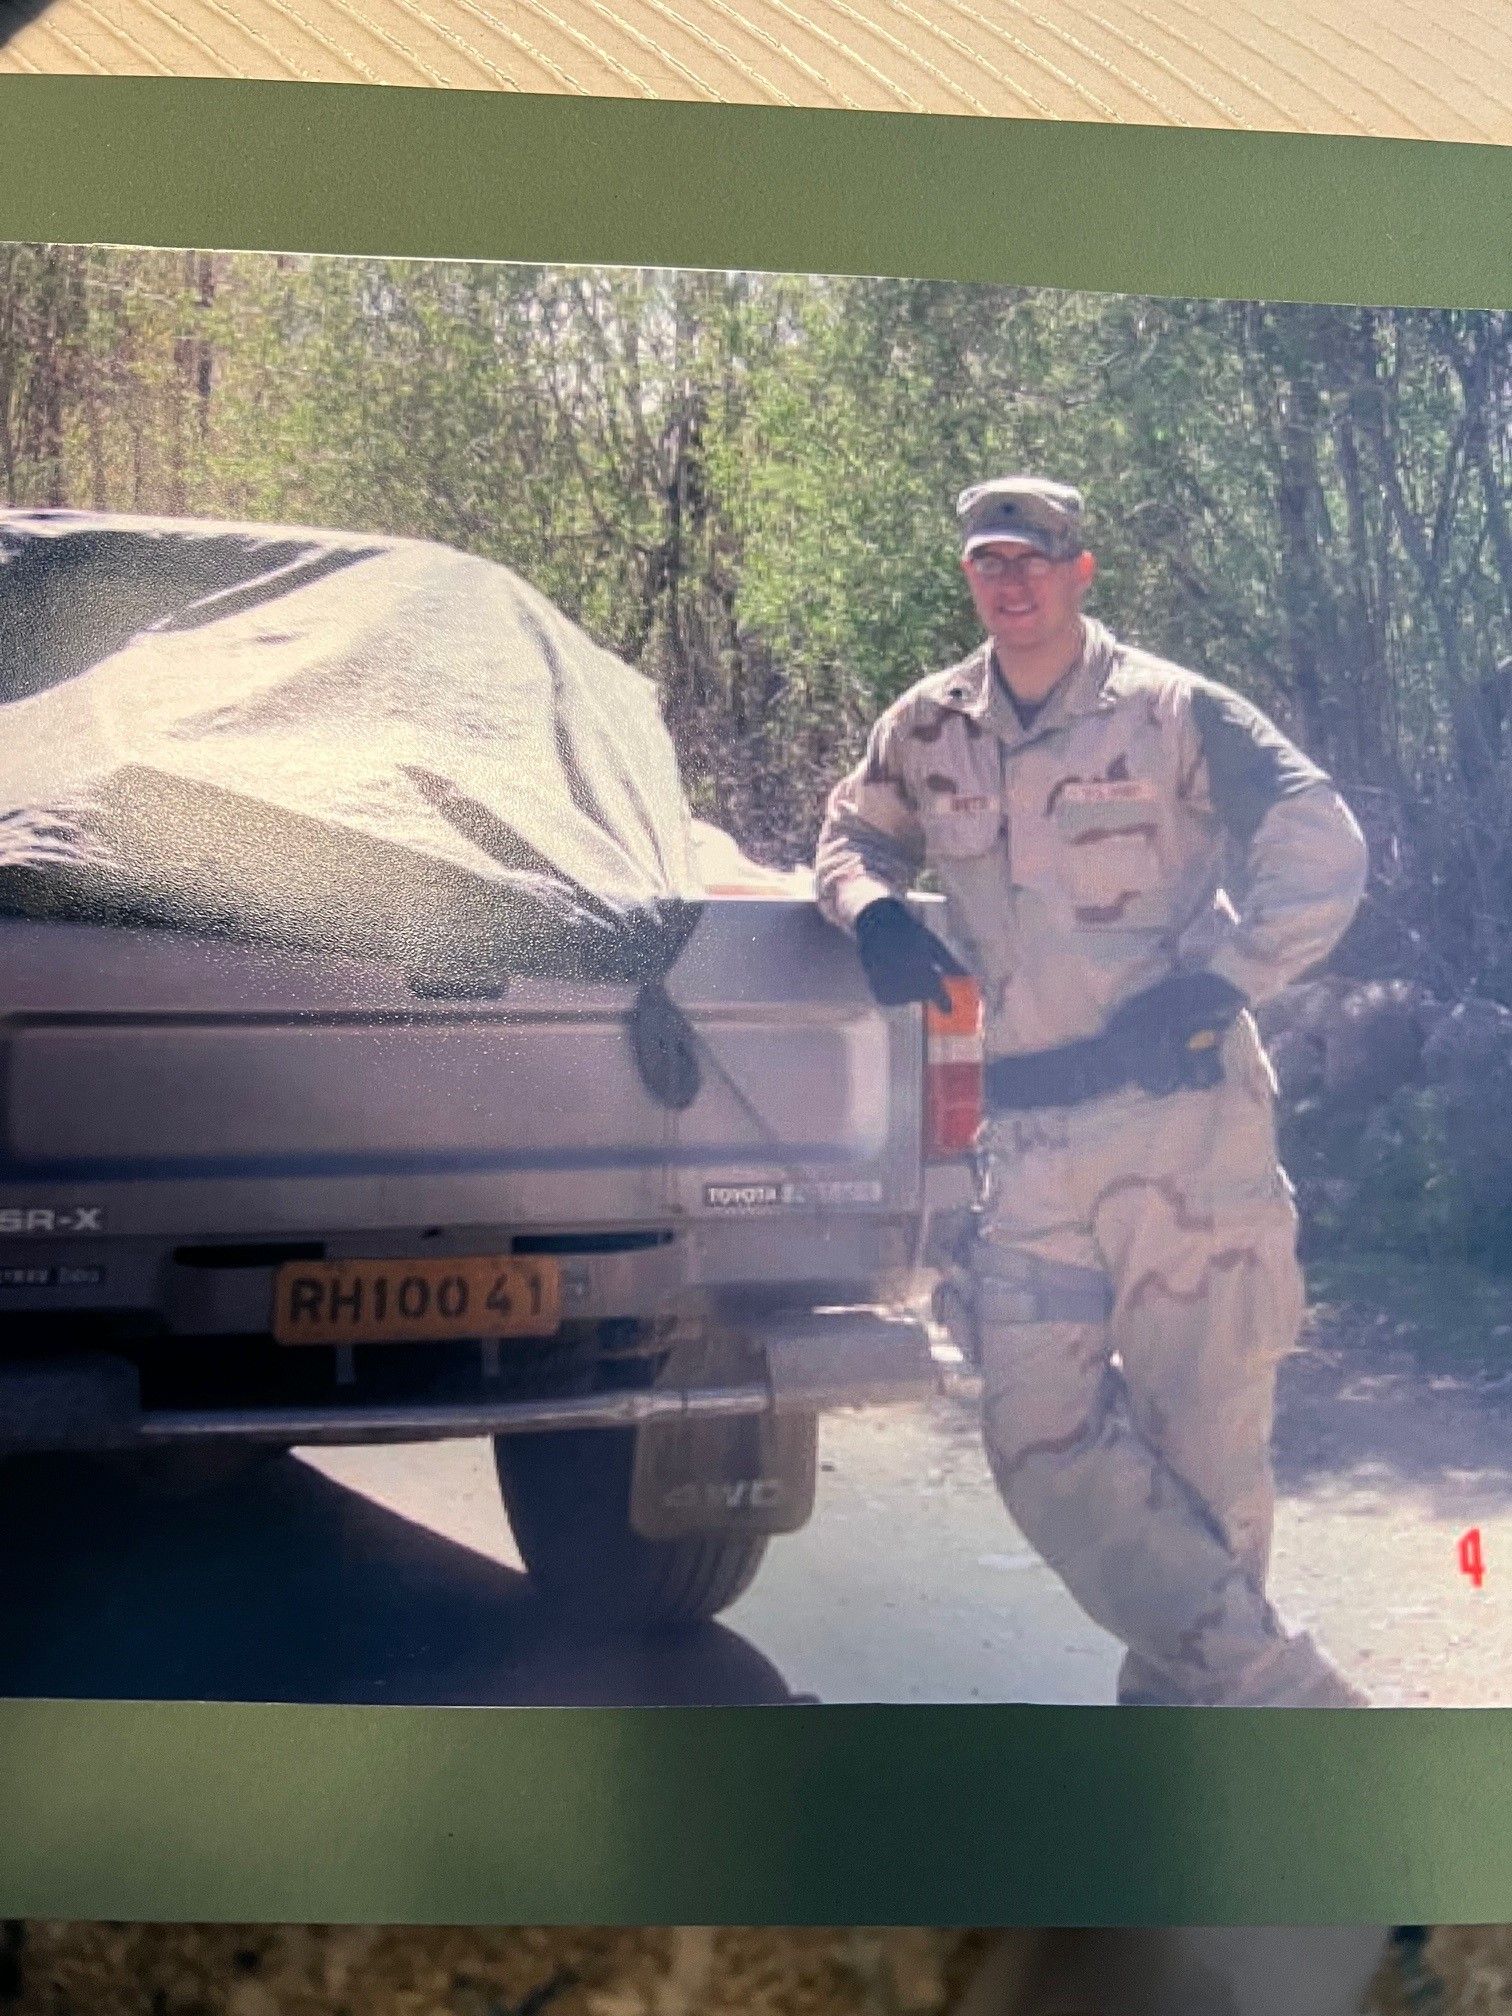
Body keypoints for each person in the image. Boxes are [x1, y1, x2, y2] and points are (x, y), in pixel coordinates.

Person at [814, 476, 1370, 1708]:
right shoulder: (928, 723)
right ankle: (1292, 1705)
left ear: (1081, 569)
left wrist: (1225, 979)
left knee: (1206, 1464)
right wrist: (868, 913)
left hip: (1187, 1134)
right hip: (1031, 1142)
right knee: (1036, 1440)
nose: (1008, 583)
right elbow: (854, 832)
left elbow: (1322, 842)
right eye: (986, 564)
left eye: (1032, 560)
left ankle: (1191, 1760)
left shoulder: (1173, 712)